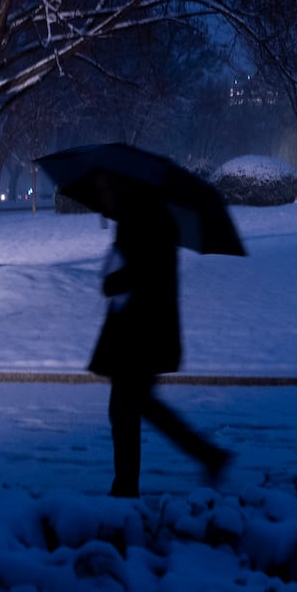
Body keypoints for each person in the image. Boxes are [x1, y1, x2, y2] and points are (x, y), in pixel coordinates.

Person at [86, 187, 231, 497]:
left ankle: (128, 487)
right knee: (135, 408)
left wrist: (112, 279)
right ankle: (202, 457)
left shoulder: (140, 221)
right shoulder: (147, 217)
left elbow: (140, 273)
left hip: (139, 334)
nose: (103, 198)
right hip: (144, 333)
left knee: (128, 410)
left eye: (106, 191)